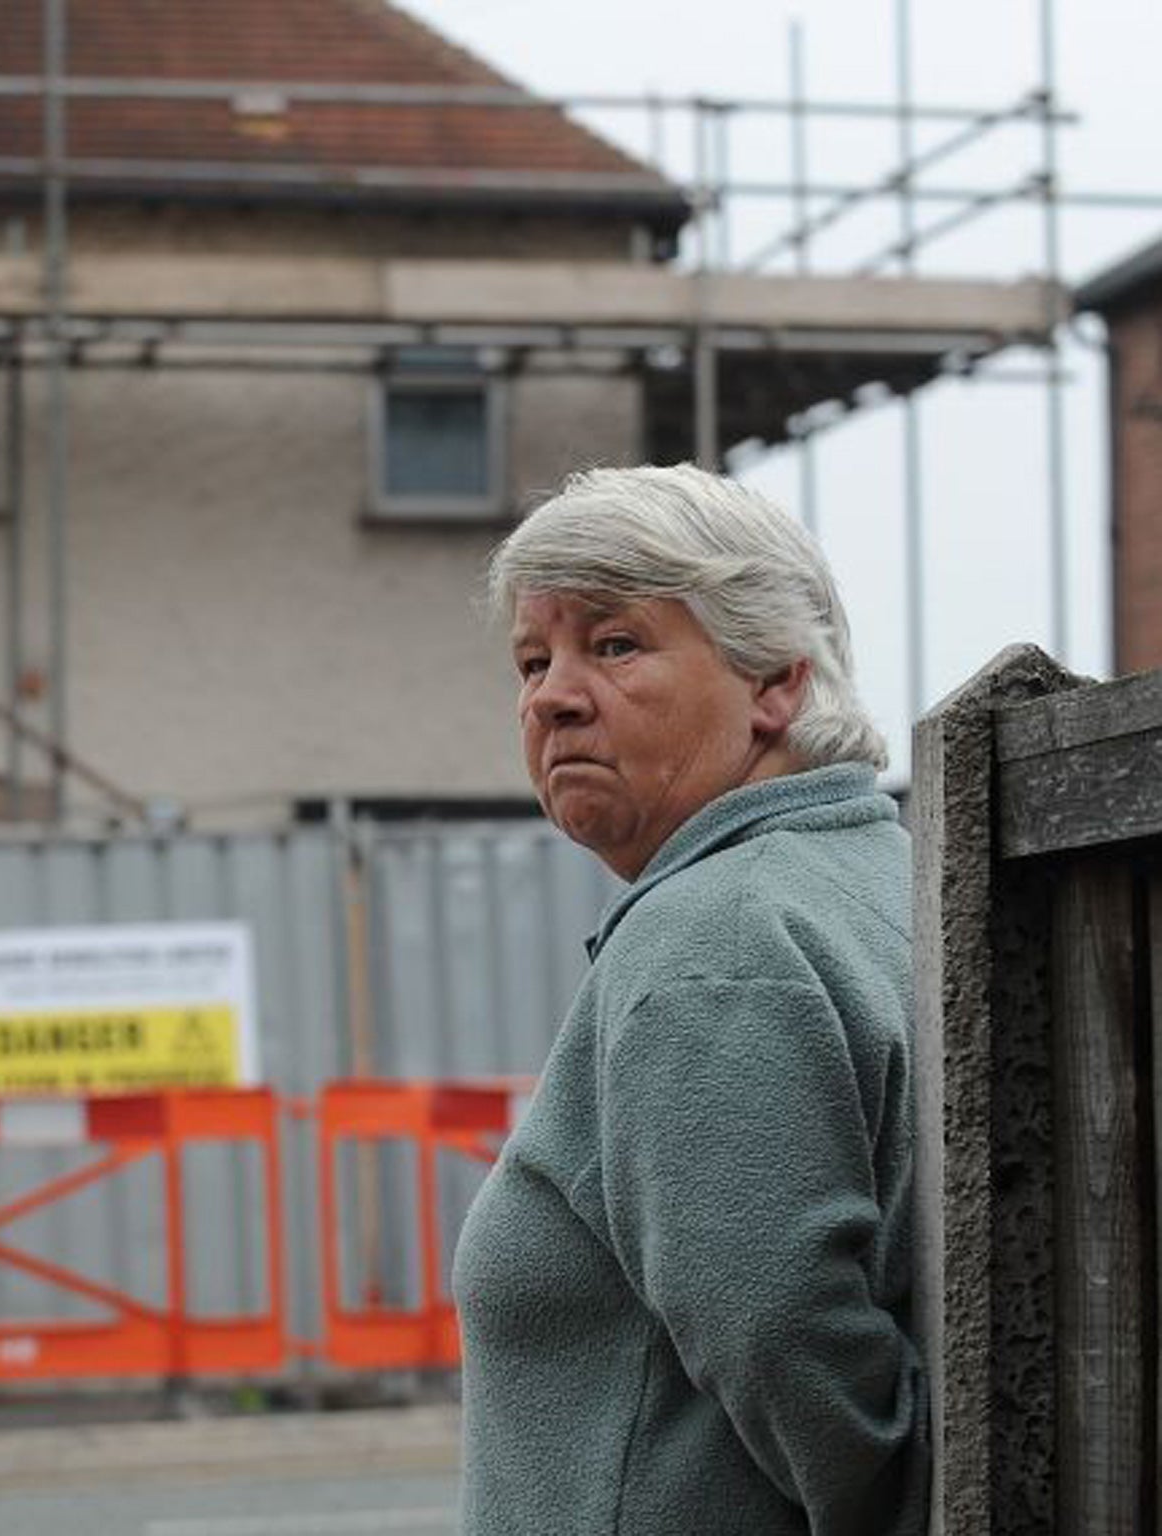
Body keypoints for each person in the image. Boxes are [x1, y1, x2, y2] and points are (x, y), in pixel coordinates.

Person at [455, 464, 927, 1536]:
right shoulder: (887, 881)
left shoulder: (711, 938)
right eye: (533, 659)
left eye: (613, 644)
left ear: (774, 683)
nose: (549, 695)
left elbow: (777, 1329)